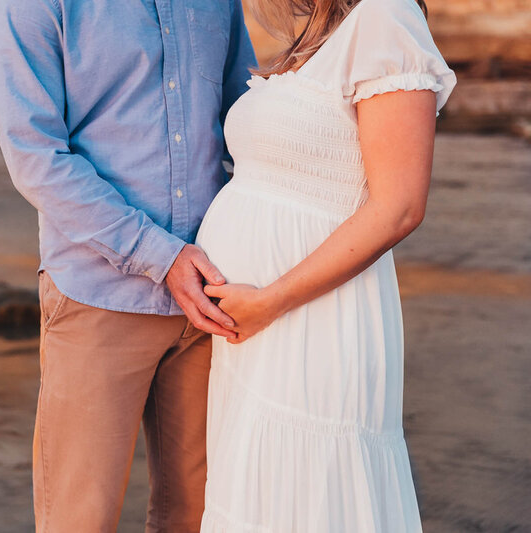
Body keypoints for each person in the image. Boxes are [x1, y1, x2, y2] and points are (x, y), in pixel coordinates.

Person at [0, 1, 256, 531]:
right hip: (98, 298)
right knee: (79, 518)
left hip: (212, 299)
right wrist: (161, 255)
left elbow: (245, 121)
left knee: (200, 516)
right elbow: (34, 154)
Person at [193, 0, 456, 530]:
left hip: (313, 318)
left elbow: (399, 207)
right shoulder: (323, 32)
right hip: (261, 327)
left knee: (308, 493)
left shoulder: (387, 16)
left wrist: (270, 301)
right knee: (263, 495)